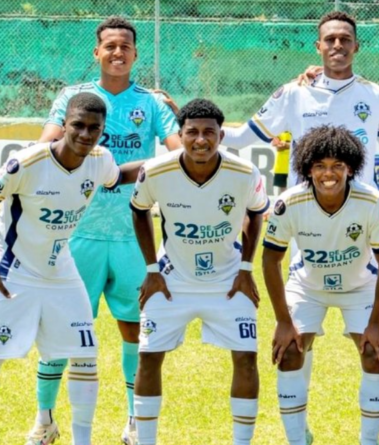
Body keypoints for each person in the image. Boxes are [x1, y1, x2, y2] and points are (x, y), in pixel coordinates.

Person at [33, 16, 181, 445]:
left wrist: (176, 114)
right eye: (110, 46)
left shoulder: (151, 104)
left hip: (133, 234)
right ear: (96, 52)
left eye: (126, 47)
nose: (118, 53)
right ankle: (45, 419)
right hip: (76, 234)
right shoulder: (73, 98)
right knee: (64, 327)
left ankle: (135, 423)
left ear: (136, 54)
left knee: (135, 328)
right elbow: (46, 147)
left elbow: (180, 154)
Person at [0, 93, 143, 445]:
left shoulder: (100, 159)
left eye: (95, 128)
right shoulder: (26, 163)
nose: (85, 134)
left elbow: (118, 177)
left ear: (103, 131)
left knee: (83, 353)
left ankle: (78, 439)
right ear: (64, 124)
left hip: (62, 271)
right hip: (14, 271)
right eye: (78, 125)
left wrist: (177, 160)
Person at [129, 99, 268, 445]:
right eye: (192, 132)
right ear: (180, 134)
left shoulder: (244, 173)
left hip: (228, 281)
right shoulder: (157, 171)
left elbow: (256, 212)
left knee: (247, 359)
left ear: (222, 135)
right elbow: (139, 210)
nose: (201, 140)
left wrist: (247, 268)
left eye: (210, 132)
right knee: (147, 358)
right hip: (172, 279)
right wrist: (152, 269)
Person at [262, 125, 379, 445]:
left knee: (375, 355)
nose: (329, 173)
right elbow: (270, 261)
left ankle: (370, 441)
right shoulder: (290, 202)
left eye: (338, 165)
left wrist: (377, 321)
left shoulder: (372, 201)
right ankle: (297, 439)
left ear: (350, 168)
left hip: (361, 286)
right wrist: (282, 321)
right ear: (307, 168)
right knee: (290, 351)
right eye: (320, 165)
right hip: (308, 286)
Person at [222, 11, 379, 191]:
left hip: (360, 211)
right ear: (318, 47)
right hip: (304, 211)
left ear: (356, 46)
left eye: (345, 39)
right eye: (330, 39)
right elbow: (240, 138)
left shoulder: (376, 95)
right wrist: (192, 128)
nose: (338, 45)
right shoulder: (293, 93)